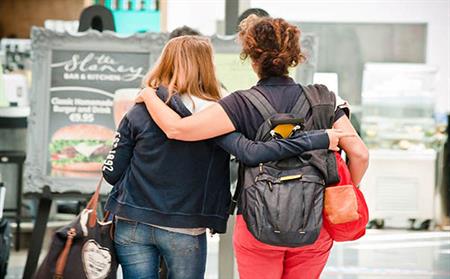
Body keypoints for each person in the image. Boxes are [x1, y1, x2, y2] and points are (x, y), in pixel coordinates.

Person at [137, 16, 369, 279]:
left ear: (251, 56)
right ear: (294, 56)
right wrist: (348, 190)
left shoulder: (240, 104)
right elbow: (359, 154)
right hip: (314, 222)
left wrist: (148, 94)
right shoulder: (323, 98)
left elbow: (177, 129)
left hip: (257, 222)